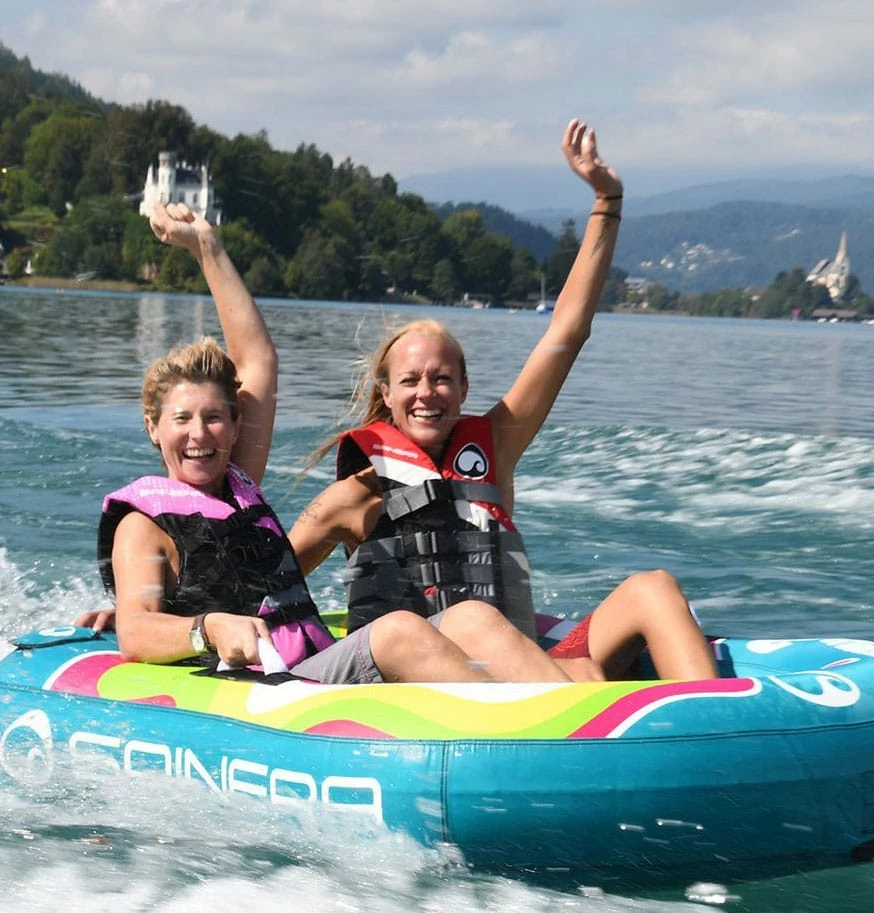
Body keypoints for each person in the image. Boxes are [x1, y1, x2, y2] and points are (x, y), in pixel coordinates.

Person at [288, 119, 718, 683]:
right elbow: (270, 586)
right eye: (411, 381)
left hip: (517, 667)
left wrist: (606, 203)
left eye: (442, 379)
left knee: (653, 588)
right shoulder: (351, 497)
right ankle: (576, 707)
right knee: (471, 619)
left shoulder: (494, 445)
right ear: (386, 395)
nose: (427, 393)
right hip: (413, 682)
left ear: (464, 390)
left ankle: (714, 714)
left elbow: (567, 332)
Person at [89, 201, 577, 685]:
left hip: (308, 666)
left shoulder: (237, 484)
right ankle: (533, 724)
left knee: (472, 617)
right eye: (182, 419)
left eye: (214, 417)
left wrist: (208, 248)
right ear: (153, 427)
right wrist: (201, 628)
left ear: (234, 428)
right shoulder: (142, 526)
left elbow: (258, 359)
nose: (200, 434)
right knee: (398, 631)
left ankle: (560, 713)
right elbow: (137, 631)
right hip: (257, 684)